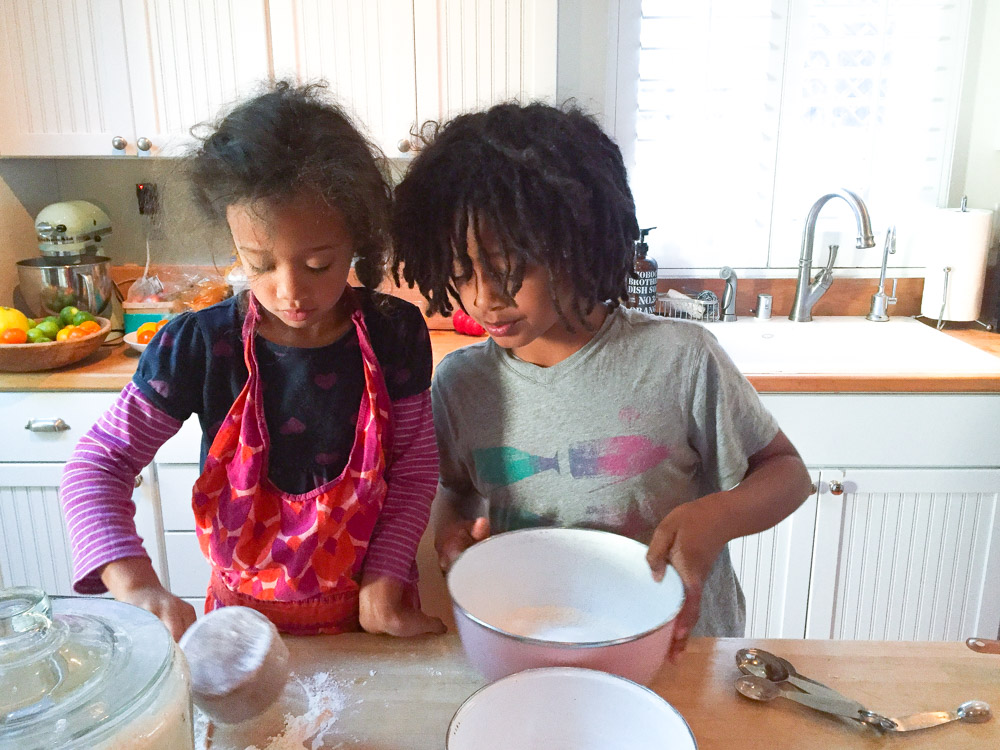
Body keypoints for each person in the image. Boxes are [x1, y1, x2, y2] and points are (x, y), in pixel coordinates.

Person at [390, 102, 812, 660]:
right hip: (540, 643)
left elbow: (789, 475)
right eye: (462, 273)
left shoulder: (677, 360)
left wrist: (716, 518)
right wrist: (450, 536)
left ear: (573, 242)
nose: (484, 298)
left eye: (510, 269)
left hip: (676, 654)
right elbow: (454, 488)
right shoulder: (463, 383)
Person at [60, 82, 445, 641]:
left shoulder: (394, 333)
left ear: (356, 239)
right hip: (241, 629)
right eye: (259, 263)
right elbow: (97, 465)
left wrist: (385, 580)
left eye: (318, 263)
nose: (290, 291)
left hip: (373, 618)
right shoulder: (198, 346)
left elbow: (412, 470)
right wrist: (136, 583)